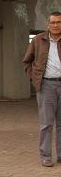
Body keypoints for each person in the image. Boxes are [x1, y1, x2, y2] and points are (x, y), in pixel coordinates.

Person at [23, 11, 61, 167]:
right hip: (45, 85)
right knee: (46, 123)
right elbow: (27, 61)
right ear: (48, 24)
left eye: (59, 22)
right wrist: (34, 78)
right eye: (53, 22)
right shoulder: (38, 40)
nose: (56, 25)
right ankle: (45, 156)